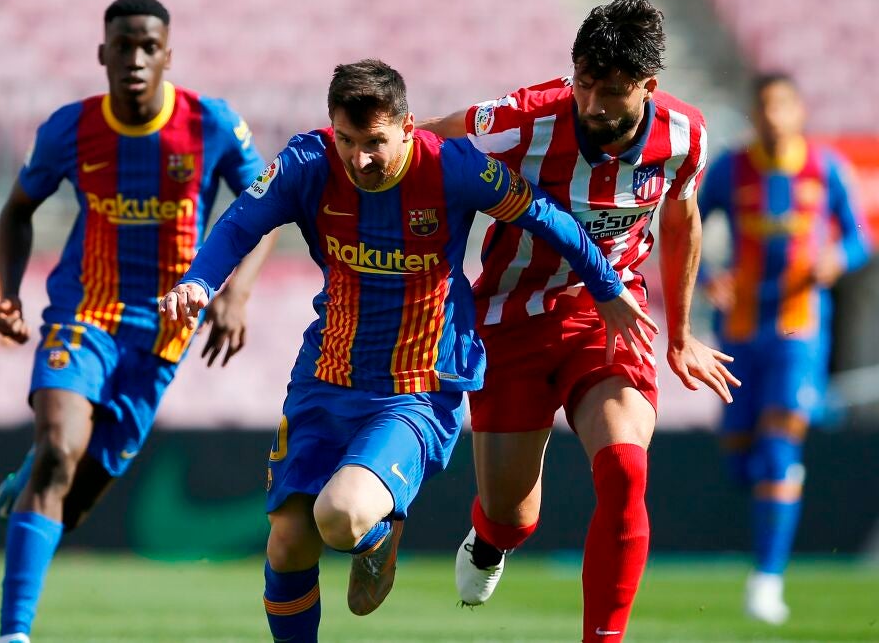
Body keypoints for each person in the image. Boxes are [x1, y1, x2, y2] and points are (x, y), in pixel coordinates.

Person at [161, 58, 655, 643]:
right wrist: (198, 282)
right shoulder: (307, 164)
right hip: (325, 378)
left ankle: (378, 536)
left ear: (407, 127)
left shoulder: (452, 167)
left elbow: (549, 218)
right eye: (347, 140)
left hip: (414, 389)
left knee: (340, 515)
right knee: (288, 543)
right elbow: (241, 223)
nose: (359, 159)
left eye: (375, 143)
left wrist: (607, 287)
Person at [419, 0, 739, 642]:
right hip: (511, 317)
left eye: (612, 91)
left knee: (624, 468)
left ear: (648, 86)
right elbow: (422, 144)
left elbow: (681, 218)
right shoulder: (522, 120)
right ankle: (491, 538)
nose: (592, 104)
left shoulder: (686, 136)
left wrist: (680, 333)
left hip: (609, 317)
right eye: (584, 83)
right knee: (512, 517)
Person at [0, 0, 275, 643]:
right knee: (58, 454)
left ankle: (29, 475)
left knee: (74, 498)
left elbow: (265, 206)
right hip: (83, 313)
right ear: (103, 54)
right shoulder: (70, 129)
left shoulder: (210, 123)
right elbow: (17, 209)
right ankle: (13, 633)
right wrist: (9, 295)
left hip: (165, 329)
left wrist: (235, 294)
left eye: (149, 47)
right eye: (124, 46)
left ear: (168, 54)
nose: (136, 59)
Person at [699, 72, 869, 625]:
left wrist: (838, 258)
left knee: (777, 449)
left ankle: (767, 581)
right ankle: (774, 486)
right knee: (740, 458)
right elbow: (687, 225)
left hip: (799, 330)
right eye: (764, 107)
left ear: (799, 112)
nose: (773, 117)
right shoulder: (730, 169)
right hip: (740, 330)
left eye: (782, 106)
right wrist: (707, 276)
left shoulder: (827, 168)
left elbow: (860, 236)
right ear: (754, 115)